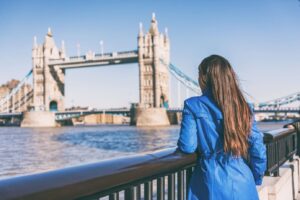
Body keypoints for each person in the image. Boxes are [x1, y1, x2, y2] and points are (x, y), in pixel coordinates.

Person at [177, 55, 266, 200]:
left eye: (199, 75)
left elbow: (187, 146)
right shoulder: (244, 108)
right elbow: (258, 148)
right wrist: (256, 177)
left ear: (205, 78)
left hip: (208, 182)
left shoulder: (192, 105)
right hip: (243, 180)